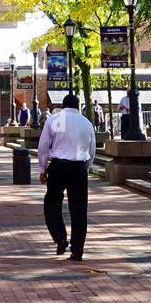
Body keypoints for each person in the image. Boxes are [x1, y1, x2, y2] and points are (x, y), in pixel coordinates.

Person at [37, 93, 97, 261]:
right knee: (79, 209)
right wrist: (85, 168)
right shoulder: (86, 123)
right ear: (78, 106)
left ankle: (60, 237)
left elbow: (43, 147)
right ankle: (77, 250)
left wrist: (42, 168)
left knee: (52, 203)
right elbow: (92, 151)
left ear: (63, 105)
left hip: (58, 165)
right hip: (78, 166)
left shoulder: (55, 120)